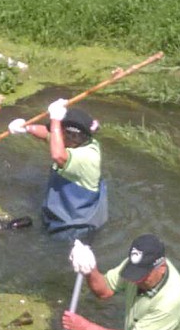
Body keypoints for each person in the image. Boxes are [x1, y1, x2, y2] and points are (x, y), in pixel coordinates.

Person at [8, 98, 107, 241]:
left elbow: (58, 155)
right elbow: (49, 135)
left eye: (60, 132)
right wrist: (26, 128)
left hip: (76, 229)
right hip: (66, 216)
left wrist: (55, 119)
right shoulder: (78, 141)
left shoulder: (86, 157)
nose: (55, 135)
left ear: (72, 136)